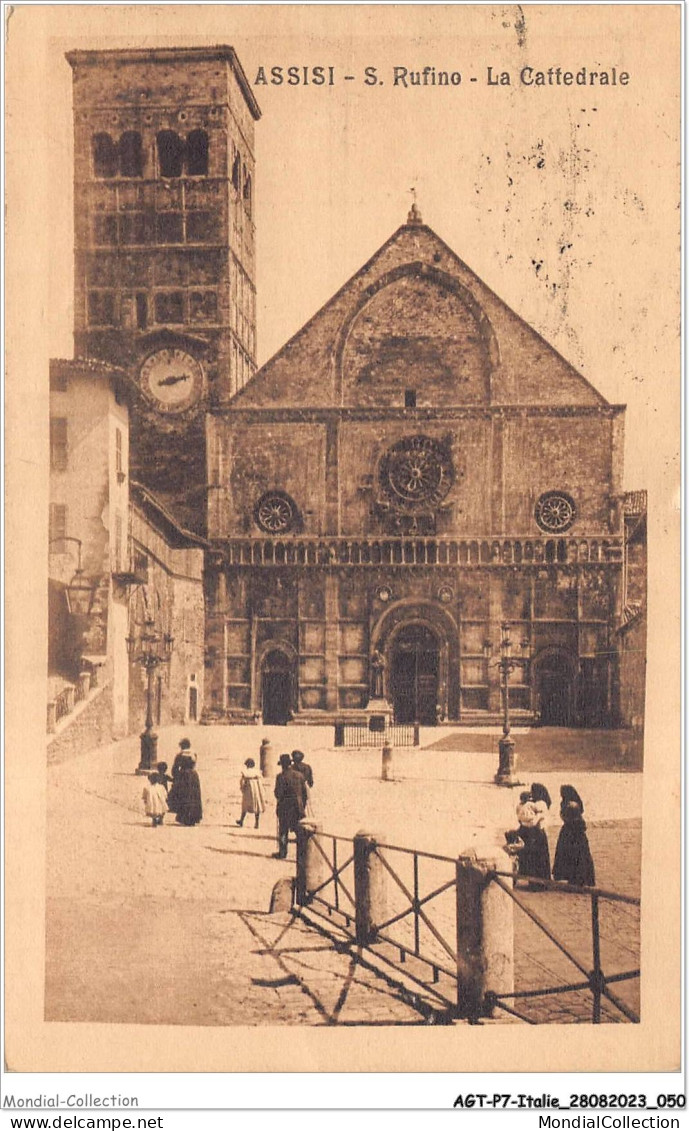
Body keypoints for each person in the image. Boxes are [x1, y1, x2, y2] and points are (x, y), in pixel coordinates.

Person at [553, 785, 596, 886]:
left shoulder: (569, 804)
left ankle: (573, 879)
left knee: (571, 856)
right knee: (580, 856)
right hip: (577, 832)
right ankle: (581, 879)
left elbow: (564, 816)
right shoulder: (576, 803)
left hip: (569, 832)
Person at [514, 782, 552, 885]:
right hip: (536, 832)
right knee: (535, 858)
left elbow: (535, 820)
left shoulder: (540, 804)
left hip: (537, 833)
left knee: (536, 858)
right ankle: (536, 882)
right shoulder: (535, 803)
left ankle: (538, 883)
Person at [273, 753, 307, 859]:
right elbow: (305, 793)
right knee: (299, 831)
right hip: (298, 808)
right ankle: (303, 854)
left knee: (283, 830)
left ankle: (283, 852)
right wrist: (302, 806)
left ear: (282, 765)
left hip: (285, 808)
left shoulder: (280, 777)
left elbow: (278, 793)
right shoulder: (300, 775)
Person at [167, 754, 203, 826]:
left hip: (185, 794)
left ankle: (186, 819)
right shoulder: (194, 773)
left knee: (185, 804)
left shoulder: (183, 772)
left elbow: (179, 783)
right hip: (193, 795)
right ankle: (192, 819)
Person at [236, 758, 266, 829]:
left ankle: (241, 820)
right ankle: (256, 823)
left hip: (248, 791)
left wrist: (243, 789)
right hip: (256, 790)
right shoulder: (257, 772)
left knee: (245, 805)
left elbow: (242, 782)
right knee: (257, 806)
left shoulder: (245, 772)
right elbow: (261, 782)